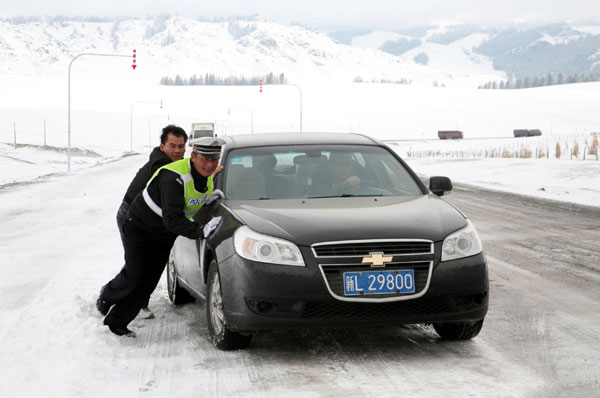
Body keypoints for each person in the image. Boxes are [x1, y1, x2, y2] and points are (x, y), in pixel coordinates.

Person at [96, 137, 226, 337]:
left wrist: (207, 202)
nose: (209, 165)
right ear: (193, 156)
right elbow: (173, 219)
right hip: (139, 227)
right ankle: (106, 297)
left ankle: (117, 322)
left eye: (213, 160)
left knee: (148, 282)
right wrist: (200, 231)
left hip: (164, 235)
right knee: (136, 273)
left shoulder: (206, 176)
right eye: (204, 159)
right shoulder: (172, 177)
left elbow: (188, 203)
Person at [116, 124, 187, 320]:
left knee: (144, 264)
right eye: (172, 145)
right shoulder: (162, 165)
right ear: (162, 146)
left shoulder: (174, 164)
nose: (177, 150)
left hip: (147, 218)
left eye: (181, 146)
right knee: (138, 265)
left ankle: (128, 299)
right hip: (130, 216)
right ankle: (126, 302)